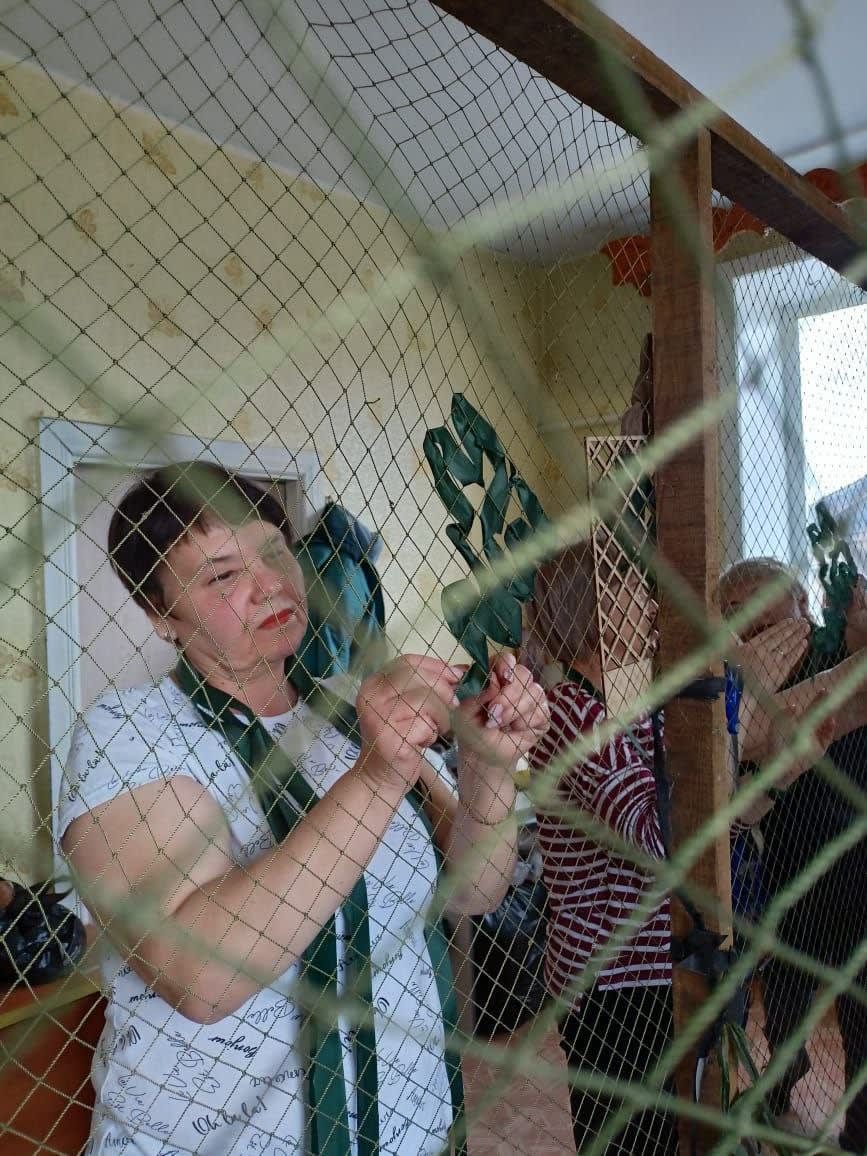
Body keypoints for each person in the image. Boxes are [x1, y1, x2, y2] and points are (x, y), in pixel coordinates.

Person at [59, 462, 550, 1156]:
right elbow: (203, 977)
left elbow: (475, 889)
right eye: (223, 576)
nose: (270, 585)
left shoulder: (348, 710)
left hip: (407, 1131)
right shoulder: (130, 735)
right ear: (160, 615)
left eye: (272, 552)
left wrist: (488, 762)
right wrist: (378, 776)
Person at [720, 557, 867, 1152]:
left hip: (855, 866)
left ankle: (859, 1129)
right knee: (783, 998)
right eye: (740, 611)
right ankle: (779, 1085)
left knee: (859, 1010)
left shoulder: (828, 656)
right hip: (789, 866)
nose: (790, 621)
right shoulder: (732, 682)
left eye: (792, 606)